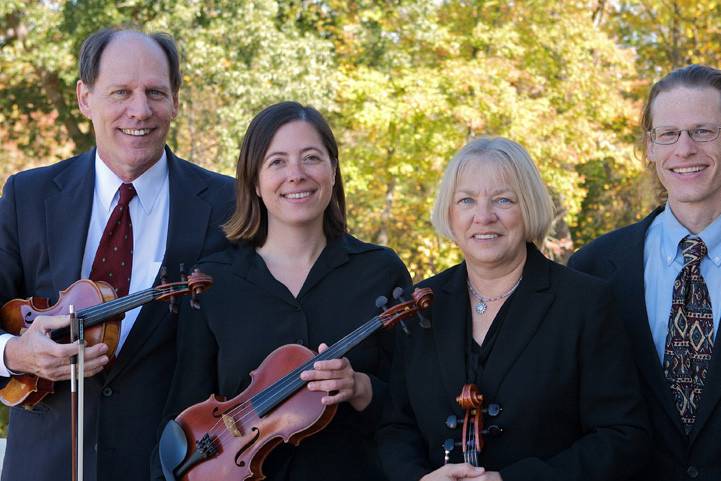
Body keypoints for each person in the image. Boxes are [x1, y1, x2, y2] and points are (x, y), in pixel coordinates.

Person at [0, 28, 234, 481]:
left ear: (176, 99)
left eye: (155, 92)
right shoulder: (26, 196)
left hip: (172, 467)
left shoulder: (229, 204)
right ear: (85, 98)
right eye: (121, 92)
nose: (140, 110)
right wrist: (14, 355)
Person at [155, 101, 411, 481]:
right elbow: (186, 413)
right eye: (277, 162)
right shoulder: (213, 281)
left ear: (333, 170)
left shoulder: (380, 271)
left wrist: (360, 388)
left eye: (311, 158)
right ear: (255, 181)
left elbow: (415, 405)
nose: (296, 175)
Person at [377, 136, 649, 481]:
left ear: (529, 207)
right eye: (467, 201)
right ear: (450, 213)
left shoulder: (584, 302)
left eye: (503, 200)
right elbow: (396, 427)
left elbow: (622, 436)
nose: (484, 216)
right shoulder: (422, 303)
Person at [569, 64, 721, 481]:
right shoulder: (593, 268)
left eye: (704, 131)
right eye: (668, 134)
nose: (684, 149)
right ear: (650, 147)